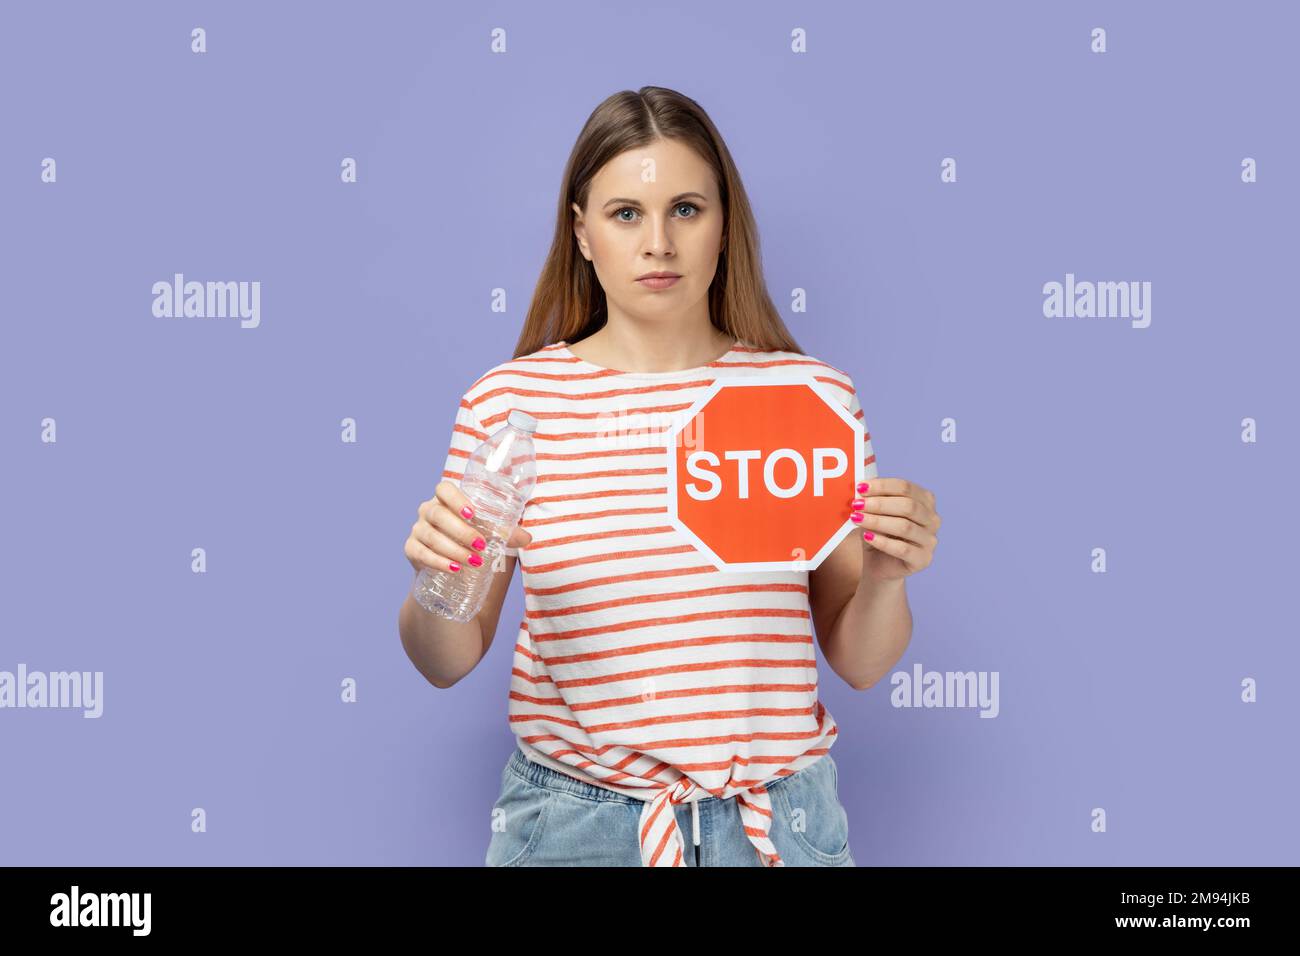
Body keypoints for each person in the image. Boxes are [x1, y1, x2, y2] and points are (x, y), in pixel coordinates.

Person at [399, 86, 941, 866]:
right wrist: (432, 579)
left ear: (725, 227)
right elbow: (442, 662)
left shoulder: (809, 400)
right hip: (574, 830)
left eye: (686, 209)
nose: (659, 242)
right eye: (626, 214)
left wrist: (887, 578)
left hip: (777, 829)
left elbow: (859, 662)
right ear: (581, 232)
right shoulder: (510, 405)